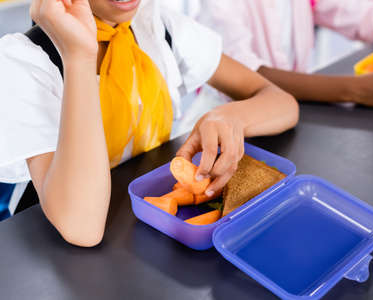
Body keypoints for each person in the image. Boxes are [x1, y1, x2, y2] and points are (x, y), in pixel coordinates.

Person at [0, 0, 299, 245]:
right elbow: (82, 229)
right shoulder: (24, 62)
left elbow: (282, 102)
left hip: (150, 228)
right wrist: (79, 56)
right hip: (57, 257)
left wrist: (230, 116)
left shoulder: (157, 26)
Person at [198, 0, 373, 109]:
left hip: (292, 107)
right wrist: (355, 90)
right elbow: (241, 75)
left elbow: (356, 13)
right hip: (231, 118)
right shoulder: (220, 5)